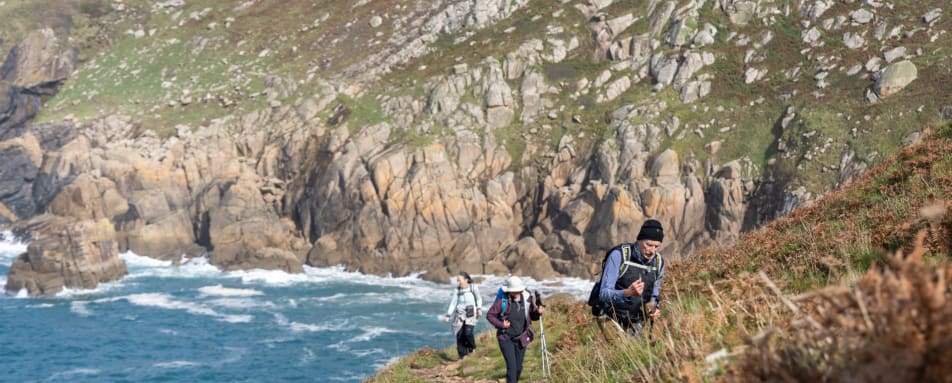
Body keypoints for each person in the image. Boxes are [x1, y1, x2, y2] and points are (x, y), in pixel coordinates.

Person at [598, 219, 666, 337]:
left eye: (656, 246)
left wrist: (654, 310)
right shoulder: (618, 255)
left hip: (637, 321)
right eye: (649, 245)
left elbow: (654, 296)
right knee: (620, 353)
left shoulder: (658, 262)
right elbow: (603, 294)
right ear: (639, 240)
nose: (652, 251)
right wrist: (627, 293)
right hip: (611, 319)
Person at [487, 276, 544, 383]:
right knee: (512, 368)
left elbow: (533, 316)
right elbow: (490, 315)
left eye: (518, 290)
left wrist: (538, 312)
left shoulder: (527, 299)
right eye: (514, 291)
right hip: (506, 338)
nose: (517, 292)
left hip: (521, 338)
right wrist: (501, 324)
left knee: (518, 368)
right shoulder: (502, 301)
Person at [444, 271, 482, 359]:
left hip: (471, 313)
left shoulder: (473, 288)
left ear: (466, 280)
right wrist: (448, 315)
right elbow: (453, 303)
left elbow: (479, 299)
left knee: (468, 332)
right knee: (459, 334)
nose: (458, 282)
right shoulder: (457, 290)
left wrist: (479, 308)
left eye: (459, 280)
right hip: (460, 314)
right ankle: (462, 355)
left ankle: (472, 348)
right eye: (457, 280)